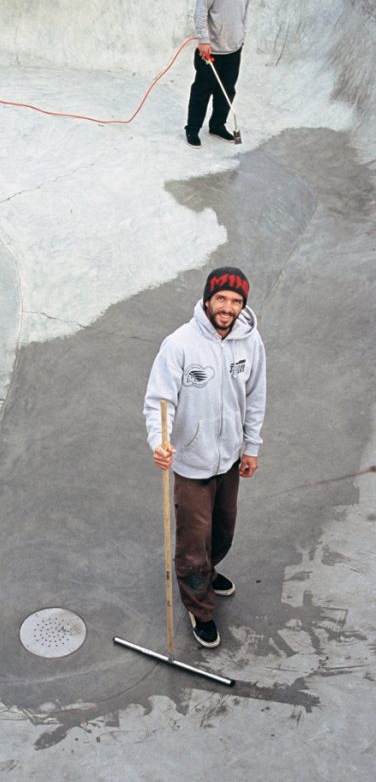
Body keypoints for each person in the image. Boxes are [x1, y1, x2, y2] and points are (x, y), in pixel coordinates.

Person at [143, 267, 266, 648]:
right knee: (193, 544)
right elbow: (159, 403)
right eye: (221, 299)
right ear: (208, 299)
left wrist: (251, 447)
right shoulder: (180, 344)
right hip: (192, 463)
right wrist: (159, 442)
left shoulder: (250, 341)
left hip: (229, 458)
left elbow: (256, 395)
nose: (228, 308)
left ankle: (209, 572)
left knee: (223, 529)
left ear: (243, 305)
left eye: (236, 301)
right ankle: (200, 608)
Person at [185, 0, 259, 147]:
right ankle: (192, 129)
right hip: (211, 50)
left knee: (227, 91)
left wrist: (242, 36)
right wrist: (203, 40)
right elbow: (201, 9)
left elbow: (245, 11)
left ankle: (217, 125)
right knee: (202, 91)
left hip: (233, 50)